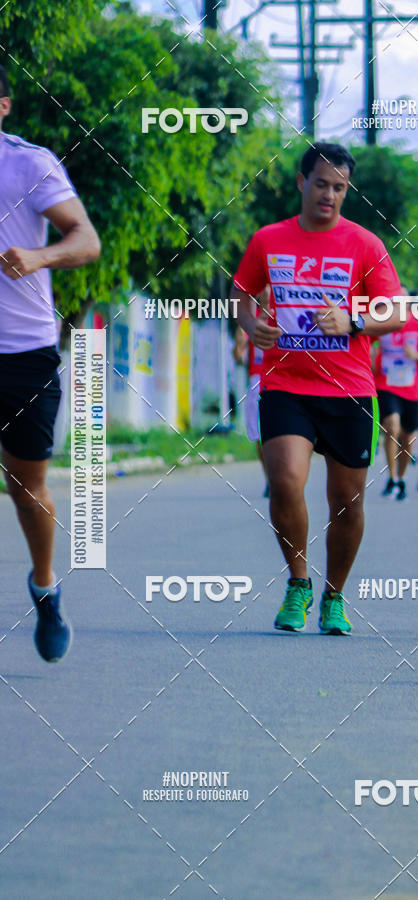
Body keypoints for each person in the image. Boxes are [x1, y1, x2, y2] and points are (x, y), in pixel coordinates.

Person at [233, 142, 405, 635]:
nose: (330, 194)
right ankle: (298, 583)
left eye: (340, 187)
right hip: (285, 382)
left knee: (347, 501)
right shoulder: (269, 239)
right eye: (322, 183)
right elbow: (242, 294)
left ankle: (334, 596)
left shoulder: (365, 245)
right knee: (285, 479)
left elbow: (392, 312)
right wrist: (251, 325)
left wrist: (352, 320)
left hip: (349, 390)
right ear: (301, 183)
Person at [0, 65, 101, 661]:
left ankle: (44, 587)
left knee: (25, 485)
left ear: (4, 106)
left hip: (24, 351)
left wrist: (39, 256)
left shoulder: (28, 163)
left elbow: (85, 241)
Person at [373, 307, 418, 500]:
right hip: (386, 384)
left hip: (412, 388)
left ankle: (401, 478)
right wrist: (371, 354)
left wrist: (415, 355)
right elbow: (365, 340)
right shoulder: (380, 322)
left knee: (409, 436)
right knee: (391, 426)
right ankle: (392, 477)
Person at [233, 289, 270, 496]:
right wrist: (239, 342)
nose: (265, 292)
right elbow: (238, 355)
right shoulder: (251, 320)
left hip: (279, 379)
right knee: (259, 435)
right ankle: (269, 479)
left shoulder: (282, 316)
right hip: (257, 380)